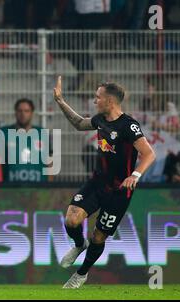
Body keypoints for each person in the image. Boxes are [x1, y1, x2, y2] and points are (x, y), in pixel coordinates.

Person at [53, 77, 156, 289]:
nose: (94, 100)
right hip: (98, 182)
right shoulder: (100, 119)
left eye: (97, 97)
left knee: (99, 235)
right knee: (72, 220)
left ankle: (81, 274)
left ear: (110, 101)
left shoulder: (129, 126)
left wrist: (134, 175)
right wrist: (61, 101)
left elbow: (149, 154)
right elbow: (80, 123)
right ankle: (80, 244)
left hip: (119, 191)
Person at [0, 98, 52, 183]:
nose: (23, 114)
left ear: (32, 113)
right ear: (15, 113)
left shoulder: (42, 133)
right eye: (20, 111)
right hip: (10, 188)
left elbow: (49, 162)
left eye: (26, 111)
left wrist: (49, 186)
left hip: (38, 188)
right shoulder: (4, 133)